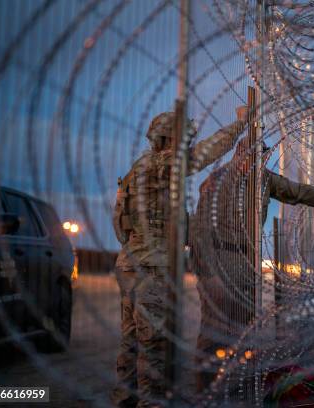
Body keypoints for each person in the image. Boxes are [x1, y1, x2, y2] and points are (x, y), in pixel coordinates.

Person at [190, 139, 314, 392]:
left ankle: (236, 388)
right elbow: (199, 231)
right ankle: (202, 391)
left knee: (243, 330)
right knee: (213, 329)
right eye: (254, 158)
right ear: (240, 154)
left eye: (262, 158)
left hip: (246, 262)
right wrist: (206, 272)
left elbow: (300, 192)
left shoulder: (263, 180)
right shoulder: (218, 181)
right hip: (219, 261)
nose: (259, 163)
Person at [111, 107, 249, 408]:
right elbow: (202, 155)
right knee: (154, 346)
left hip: (131, 261)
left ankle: (124, 400)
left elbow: (120, 221)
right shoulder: (162, 164)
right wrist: (240, 123)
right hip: (152, 267)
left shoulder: (139, 170)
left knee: (131, 340)